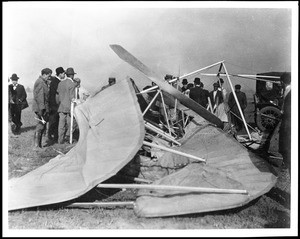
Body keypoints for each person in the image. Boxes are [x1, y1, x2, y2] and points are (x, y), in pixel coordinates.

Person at [32, 68, 52, 148]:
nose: (49, 77)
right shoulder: (40, 82)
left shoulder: (42, 82)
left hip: (42, 107)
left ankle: (38, 145)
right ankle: (36, 146)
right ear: (44, 74)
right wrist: (42, 110)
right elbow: (40, 97)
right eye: (48, 76)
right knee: (40, 126)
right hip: (41, 108)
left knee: (42, 126)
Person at [57, 67, 77, 144]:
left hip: (61, 106)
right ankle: (68, 137)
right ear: (72, 75)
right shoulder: (72, 84)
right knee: (72, 123)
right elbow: (72, 98)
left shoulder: (60, 83)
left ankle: (60, 140)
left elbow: (58, 94)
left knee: (61, 125)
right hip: (69, 108)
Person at [47, 67, 65, 143]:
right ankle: (51, 137)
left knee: (55, 121)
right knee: (53, 121)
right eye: (63, 73)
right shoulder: (56, 82)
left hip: (54, 105)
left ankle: (53, 136)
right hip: (54, 105)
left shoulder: (55, 81)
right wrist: (54, 106)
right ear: (60, 74)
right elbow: (53, 95)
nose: (64, 75)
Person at [278, 72, 291, 174]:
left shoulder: (289, 90)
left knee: (285, 144)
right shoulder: (287, 90)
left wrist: (282, 113)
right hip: (287, 119)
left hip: (288, 121)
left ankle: (287, 163)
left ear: (282, 82)